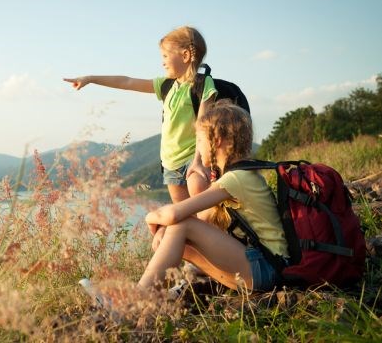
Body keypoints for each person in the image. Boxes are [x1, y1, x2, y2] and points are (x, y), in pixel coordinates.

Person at [139, 100, 289, 291]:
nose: (198, 148)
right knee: (179, 238)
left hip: (268, 269)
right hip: (261, 268)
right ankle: (158, 297)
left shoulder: (235, 179)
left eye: (199, 140)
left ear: (216, 141)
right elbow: (199, 219)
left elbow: (175, 215)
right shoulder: (236, 175)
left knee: (182, 226)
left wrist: (150, 217)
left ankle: (134, 300)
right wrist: (164, 230)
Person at [64, 26, 217, 206]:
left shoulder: (202, 84)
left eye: (166, 56)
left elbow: (203, 127)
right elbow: (126, 82)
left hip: (195, 159)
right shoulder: (166, 86)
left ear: (185, 56)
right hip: (170, 164)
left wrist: (199, 161)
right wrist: (91, 78)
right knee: (184, 217)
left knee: (204, 215)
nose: (163, 62)